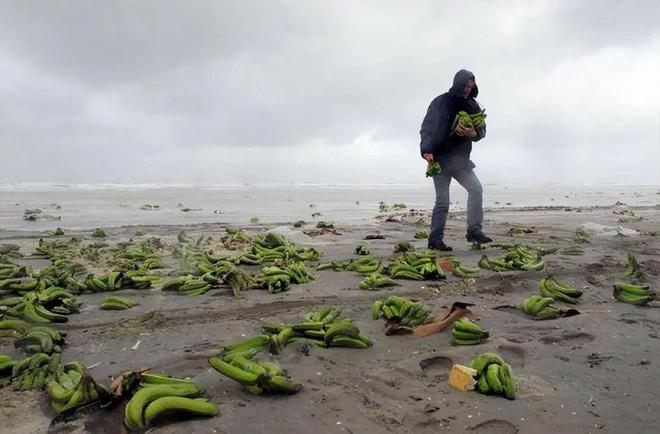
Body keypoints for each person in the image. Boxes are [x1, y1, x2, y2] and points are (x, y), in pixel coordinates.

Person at [419, 69, 492, 251]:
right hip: (440, 159)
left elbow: (482, 130)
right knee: (443, 201)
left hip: (461, 161)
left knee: (476, 189)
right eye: (465, 85)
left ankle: (474, 231)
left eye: (470, 86)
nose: (467, 89)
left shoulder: (473, 105)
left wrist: (474, 133)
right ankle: (435, 240)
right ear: (457, 83)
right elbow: (427, 127)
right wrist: (426, 150)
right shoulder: (440, 102)